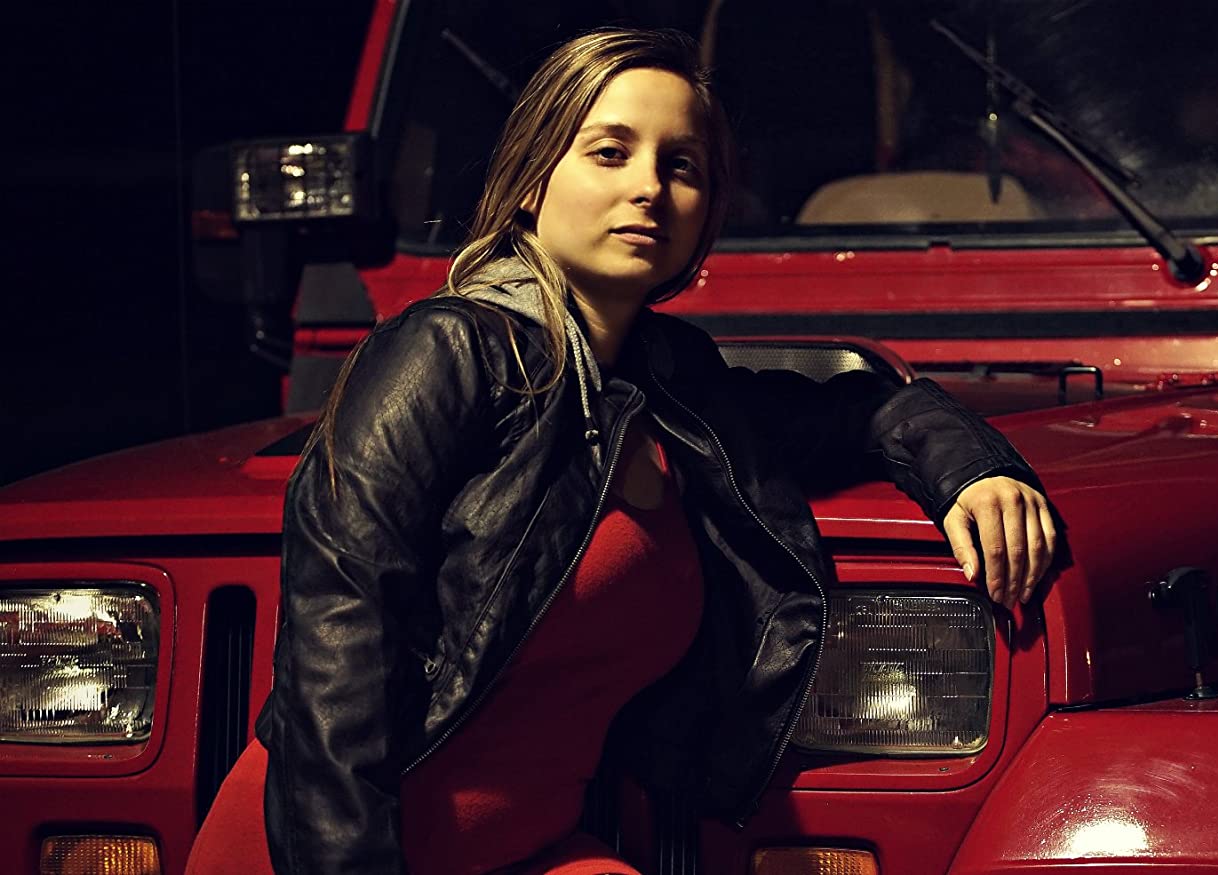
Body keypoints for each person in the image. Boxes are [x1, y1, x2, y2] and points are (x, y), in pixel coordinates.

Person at [187, 27, 1060, 875]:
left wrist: (974, 471)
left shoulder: (676, 383)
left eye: (681, 166)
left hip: (527, 848)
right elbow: (338, 641)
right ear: (532, 179)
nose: (648, 187)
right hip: (339, 848)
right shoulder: (447, 350)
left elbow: (862, 413)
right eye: (609, 153)